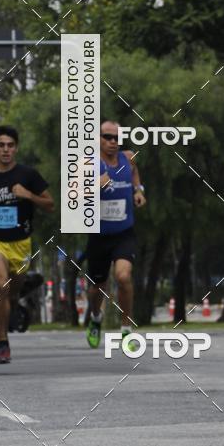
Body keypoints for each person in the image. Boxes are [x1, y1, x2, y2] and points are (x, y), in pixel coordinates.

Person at [0, 125, 54, 363]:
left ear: (16, 148)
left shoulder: (29, 175)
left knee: (12, 296)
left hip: (21, 244)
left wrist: (29, 196)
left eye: (10, 145)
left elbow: (50, 204)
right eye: (1, 145)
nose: (5, 150)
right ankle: (2, 339)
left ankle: (1, 329)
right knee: (0, 286)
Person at [84, 120, 146, 349]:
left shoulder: (128, 157)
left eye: (116, 138)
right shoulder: (89, 164)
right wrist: (93, 187)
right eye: (107, 137)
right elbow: (74, 195)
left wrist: (139, 191)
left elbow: (135, 173)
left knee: (123, 277)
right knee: (97, 287)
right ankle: (95, 318)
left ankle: (126, 328)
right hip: (99, 236)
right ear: (98, 138)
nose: (112, 142)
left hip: (124, 233)